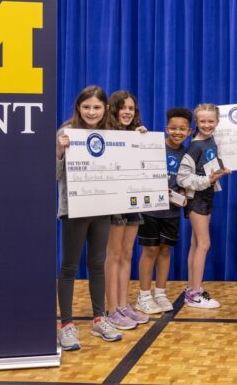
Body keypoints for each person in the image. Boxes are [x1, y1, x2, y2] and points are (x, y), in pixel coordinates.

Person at [56, 86, 121, 350]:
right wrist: (60, 152)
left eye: (96, 107)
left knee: (97, 264)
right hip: (74, 209)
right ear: (78, 108)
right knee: (70, 266)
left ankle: (99, 318)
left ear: (105, 107)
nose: (91, 112)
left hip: (102, 208)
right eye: (86, 107)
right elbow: (55, 173)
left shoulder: (112, 133)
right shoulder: (65, 131)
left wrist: (139, 140)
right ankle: (67, 326)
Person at [135, 107, 193, 314]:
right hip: (150, 209)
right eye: (173, 128)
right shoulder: (154, 146)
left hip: (171, 211)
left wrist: (183, 196)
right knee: (150, 250)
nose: (177, 132)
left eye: (182, 129)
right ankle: (143, 295)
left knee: (165, 250)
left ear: (189, 131)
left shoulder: (188, 154)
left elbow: (186, 182)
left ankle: (160, 292)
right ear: (166, 128)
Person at [104, 91, 150, 331]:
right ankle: (111, 309)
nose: (127, 112)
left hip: (132, 202)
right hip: (112, 203)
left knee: (126, 252)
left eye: (131, 108)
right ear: (113, 110)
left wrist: (140, 141)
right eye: (123, 108)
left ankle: (123, 304)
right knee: (113, 255)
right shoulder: (105, 135)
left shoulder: (136, 135)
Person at [177, 104, 231, 308]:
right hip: (196, 199)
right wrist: (208, 180)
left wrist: (219, 173)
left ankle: (193, 288)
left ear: (217, 122)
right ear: (196, 122)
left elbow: (210, 170)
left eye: (211, 121)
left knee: (196, 244)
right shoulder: (195, 146)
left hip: (207, 196)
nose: (207, 125)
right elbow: (183, 178)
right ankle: (194, 294)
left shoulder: (211, 142)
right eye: (202, 121)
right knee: (204, 244)